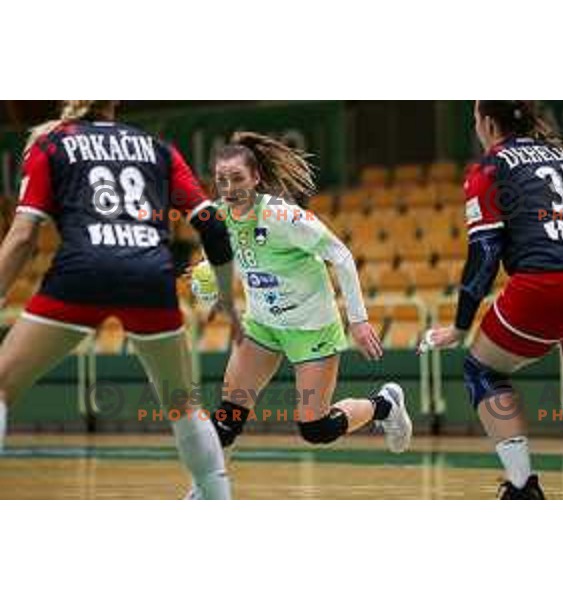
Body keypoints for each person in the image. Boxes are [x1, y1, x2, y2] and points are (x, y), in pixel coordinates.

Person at [0, 100, 236, 499]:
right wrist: (227, 299)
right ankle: (216, 498)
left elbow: (23, 236)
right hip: (149, 276)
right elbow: (213, 227)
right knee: (182, 402)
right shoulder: (158, 148)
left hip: (81, 275)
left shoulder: (51, 143)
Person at [422, 100, 563, 499]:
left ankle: (522, 486)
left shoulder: (491, 166)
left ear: (486, 123)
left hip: (547, 281)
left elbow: (485, 251)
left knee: (481, 370)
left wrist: (460, 326)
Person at [195, 131, 412, 453]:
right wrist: (208, 284)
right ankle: (205, 492)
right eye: (221, 180)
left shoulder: (283, 217)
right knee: (225, 423)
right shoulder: (216, 217)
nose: (229, 189)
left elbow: (341, 255)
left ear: (255, 177)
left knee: (316, 428)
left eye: (237, 178)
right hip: (262, 327)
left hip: (311, 327)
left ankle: (384, 405)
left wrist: (358, 320)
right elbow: (230, 262)